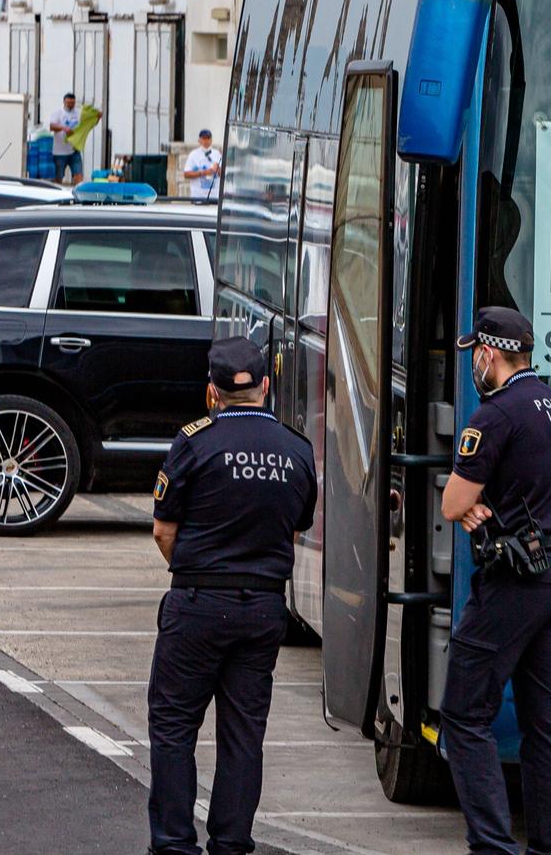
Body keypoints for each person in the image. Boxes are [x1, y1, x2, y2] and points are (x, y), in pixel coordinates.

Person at [147, 336, 317, 855]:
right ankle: (232, 843)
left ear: (211, 393)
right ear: (267, 386)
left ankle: (175, 844)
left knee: (174, 725)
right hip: (264, 608)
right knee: (243, 734)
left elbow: (163, 529)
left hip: (199, 603)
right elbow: (294, 526)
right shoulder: (297, 449)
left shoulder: (194, 441)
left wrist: (197, 570)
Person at [440, 306, 551, 855]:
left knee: (464, 710)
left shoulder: (495, 415)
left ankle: (492, 847)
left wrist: (471, 504)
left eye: (476, 351)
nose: (475, 361)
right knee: (545, 721)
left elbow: (455, 501)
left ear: (490, 354)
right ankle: (547, 849)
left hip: (515, 581)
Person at [48, 92, 82, 185]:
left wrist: (96, 118)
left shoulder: (78, 113)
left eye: (73, 103)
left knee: (78, 174)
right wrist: (64, 128)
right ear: (64, 102)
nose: (71, 105)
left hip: (74, 150)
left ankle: (78, 195)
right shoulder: (58, 113)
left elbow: (86, 123)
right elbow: (51, 126)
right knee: (59, 177)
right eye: (69, 103)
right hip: (60, 152)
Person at [182, 129, 223, 201]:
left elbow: (223, 175)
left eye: (208, 138)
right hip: (197, 196)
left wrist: (218, 169)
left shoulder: (217, 154)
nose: (206, 141)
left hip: (214, 197)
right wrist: (204, 172)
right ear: (199, 140)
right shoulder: (193, 154)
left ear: (211, 140)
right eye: (204, 138)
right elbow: (186, 174)